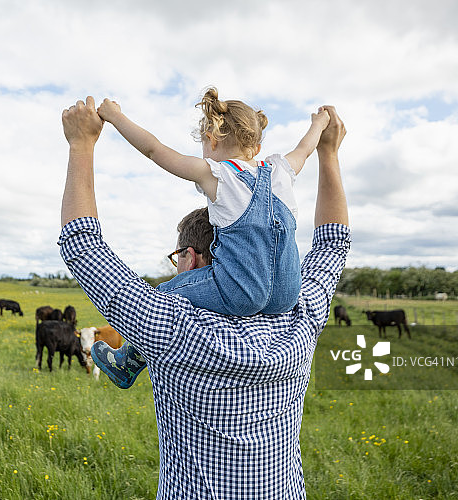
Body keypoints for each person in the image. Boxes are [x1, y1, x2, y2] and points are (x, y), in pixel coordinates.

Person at [59, 97, 349, 499]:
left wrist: (81, 144)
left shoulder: (173, 326)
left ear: (191, 257)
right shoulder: (302, 316)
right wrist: (328, 149)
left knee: (159, 296)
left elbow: (84, 247)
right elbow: (333, 244)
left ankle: (128, 361)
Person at [93, 89, 330, 387]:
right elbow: (305, 149)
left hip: (240, 292)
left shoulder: (217, 174)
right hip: (287, 294)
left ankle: (127, 361)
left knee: (166, 293)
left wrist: (116, 116)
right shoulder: (280, 171)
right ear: (256, 147)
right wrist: (319, 123)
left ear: (213, 139)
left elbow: (154, 150)